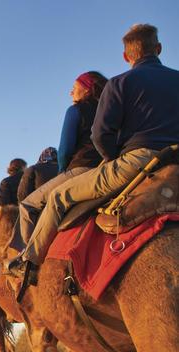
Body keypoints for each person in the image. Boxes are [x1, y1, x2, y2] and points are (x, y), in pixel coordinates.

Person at [9, 24, 179, 279]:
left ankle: (29, 263)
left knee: (57, 197)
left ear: (126, 56)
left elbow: (100, 135)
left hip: (140, 160)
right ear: (158, 48)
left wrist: (112, 159)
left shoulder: (120, 83)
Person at [8, 72, 108, 254]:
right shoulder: (109, 109)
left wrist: (63, 171)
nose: (71, 93)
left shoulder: (76, 110)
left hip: (81, 168)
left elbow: (65, 150)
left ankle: (27, 259)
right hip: (108, 168)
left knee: (28, 206)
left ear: (86, 89)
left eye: (74, 88)